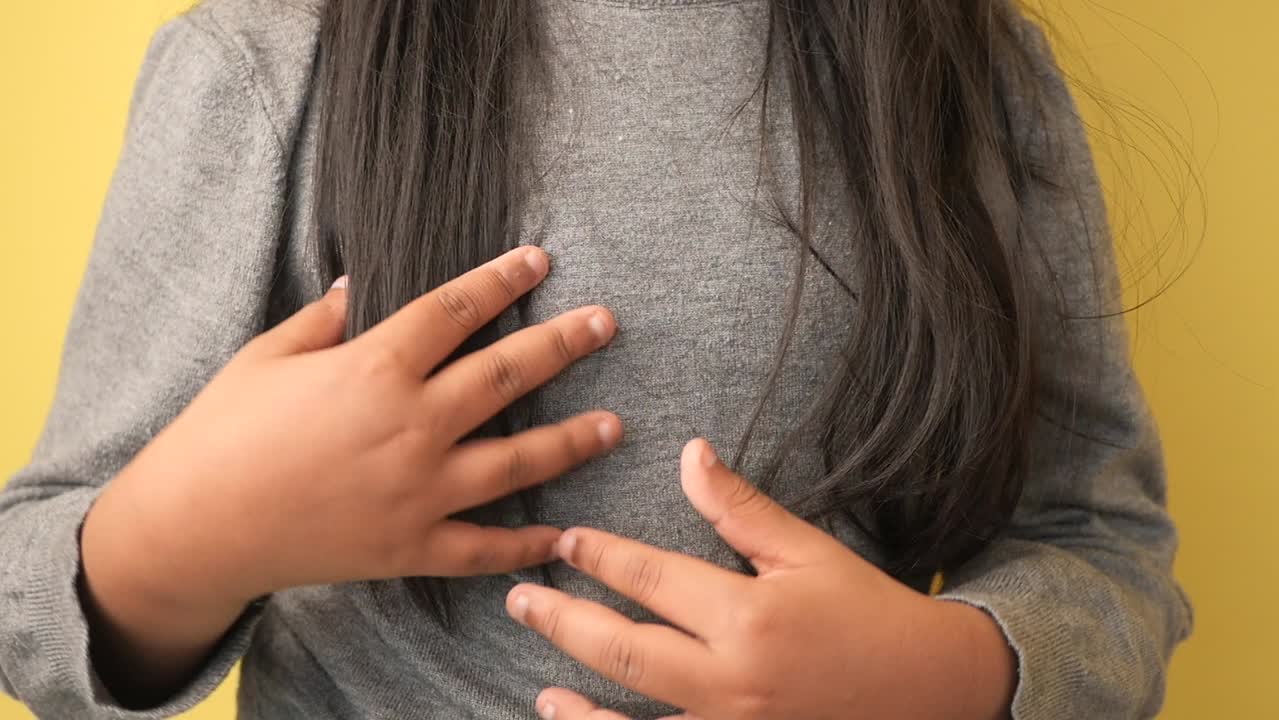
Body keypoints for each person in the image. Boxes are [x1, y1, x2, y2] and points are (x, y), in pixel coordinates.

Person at [0, 0, 1193, 718]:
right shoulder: (272, 57)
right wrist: (190, 537)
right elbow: (30, 601)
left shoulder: (964, 77)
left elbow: (1101, 545)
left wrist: (951, 676)